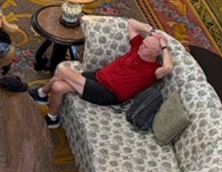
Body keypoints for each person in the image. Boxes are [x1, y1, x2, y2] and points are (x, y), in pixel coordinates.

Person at [31, 18, 174, 129]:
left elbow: (168, 68)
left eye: (146, 47)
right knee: (58, 87)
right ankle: (52, 118)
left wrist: (164, 46)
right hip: (98, 76)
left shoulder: (153, 70)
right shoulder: (137, 47)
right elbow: (131, 23)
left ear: (155, 53)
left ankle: (42, 93)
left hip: (108, 92)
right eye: (144, 43)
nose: (142, 46)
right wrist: (151, 32)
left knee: (64, 72)